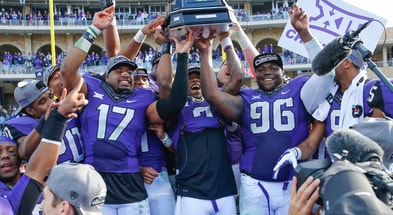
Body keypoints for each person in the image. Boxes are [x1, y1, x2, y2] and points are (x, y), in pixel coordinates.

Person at [60, 7, 194, 215]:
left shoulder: (143, 98)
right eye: (119, 71)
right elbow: (67, 70)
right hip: (94, 180)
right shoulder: (91, 88)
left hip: (130, 185)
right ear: (106, 77)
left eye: (130, 72)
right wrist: (93, 29)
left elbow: (173, 104)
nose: (126, 74)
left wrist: (182, 55)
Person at [195, 28, 325, 214]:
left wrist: (304, 32)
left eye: (273, 68)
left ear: (283, 71)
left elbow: (325, 73)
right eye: (261, 70)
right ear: (255, 74)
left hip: (293, 183)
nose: (267, 72)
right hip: (254, 184)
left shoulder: (299, 88)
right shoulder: (247, 97)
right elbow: (212, 95)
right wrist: (206, 51)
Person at [0, 77, 91, 215]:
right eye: (42, 101)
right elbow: (23, 151)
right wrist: (50, 120)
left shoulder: (71, 111)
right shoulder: (21, 125)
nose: (51, 102)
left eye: (50, 96)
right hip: (52, 194)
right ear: (30, 111)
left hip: (82, 186)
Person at [168, 66, 238, 215]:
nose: (195, 80)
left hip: (223, 187)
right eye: (190, 78)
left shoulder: (219, 102)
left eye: (199, 77)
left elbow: (236, 78)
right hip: (192, 189)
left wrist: (226, 42)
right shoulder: (176, 107)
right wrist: (163, 138)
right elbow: (174, 148)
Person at [134, 66, 176, 215]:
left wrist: (163, 136)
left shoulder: (160, 110)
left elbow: (175, 152)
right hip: (132, 180)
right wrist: (139, 170)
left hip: (160, 176)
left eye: (144, 79)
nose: (140, 83)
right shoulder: (121, 111)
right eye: (136, 80)